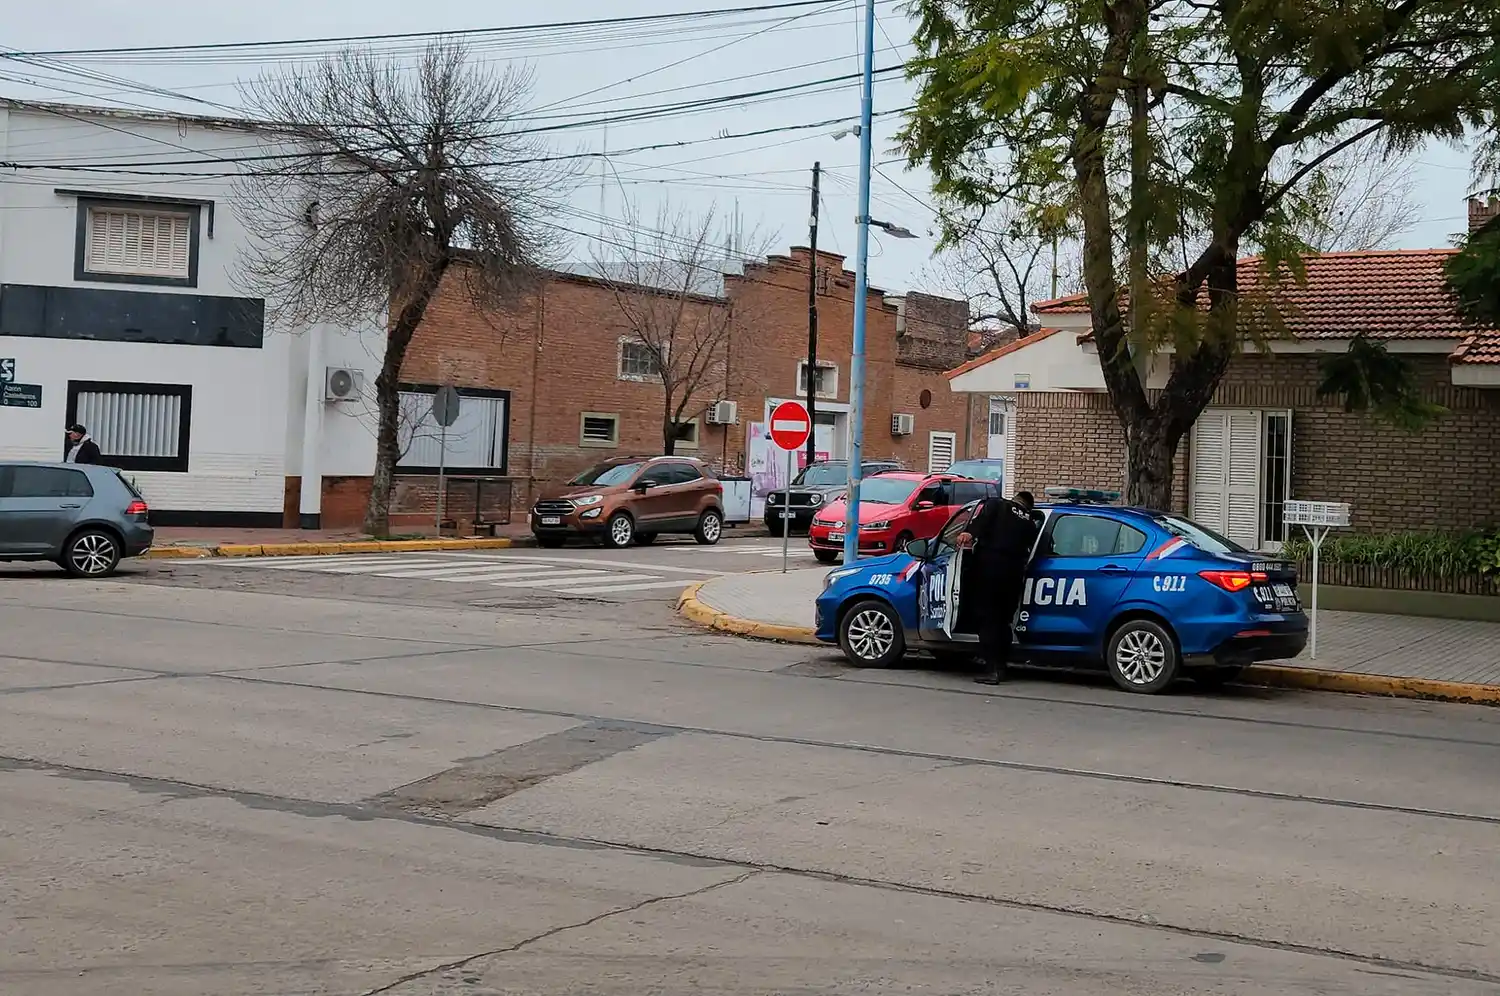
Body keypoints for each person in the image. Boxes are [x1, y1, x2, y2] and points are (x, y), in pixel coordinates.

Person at [957, 490, 1042, 684]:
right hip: (1014, 575)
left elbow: (982, 521)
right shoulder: (1029, 522)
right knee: (1003, 621)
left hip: (990, 570)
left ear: (1015, 499)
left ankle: (992, 670)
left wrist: (969, 532)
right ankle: (1001, 667)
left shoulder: (998, 505)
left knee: (988, 619)